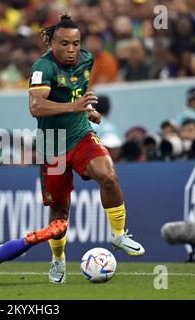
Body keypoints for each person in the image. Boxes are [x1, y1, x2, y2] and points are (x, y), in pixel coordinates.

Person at [28, 14, 145, 284]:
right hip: (52, 143)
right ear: (53, 43)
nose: (72, 50)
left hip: (80, 135)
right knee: (60, 209)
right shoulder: (42, 67)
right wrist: (75, 106)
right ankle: (58, 260)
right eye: (65, 44)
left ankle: (118, 235)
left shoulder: (86, 60)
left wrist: (87, 109)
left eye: (76, 43)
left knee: (109, 175)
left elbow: (75, 93)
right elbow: (36, 107)